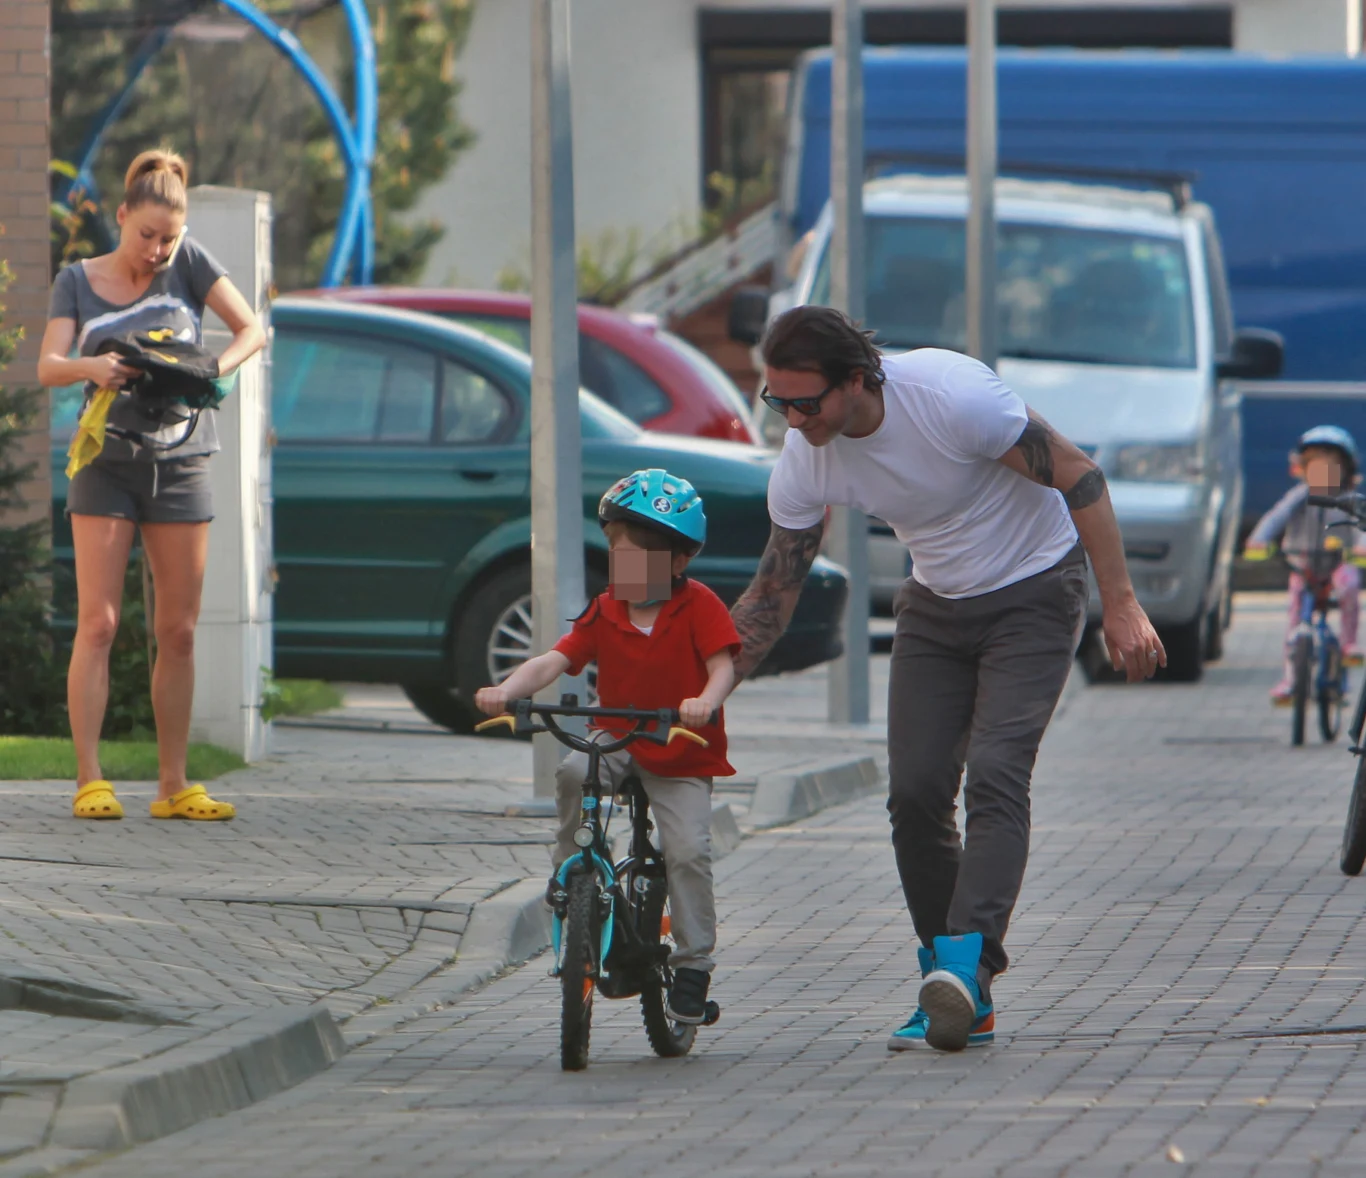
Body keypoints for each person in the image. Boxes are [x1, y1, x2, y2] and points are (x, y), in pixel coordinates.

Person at [729, 305, 1164, 1053]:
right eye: (780, 403)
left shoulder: (951, 399)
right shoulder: (809, 455)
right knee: (917, 790)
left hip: (1034, 589)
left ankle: (968, 966)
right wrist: (706, 685)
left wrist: (1119, 603)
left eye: (808, 402)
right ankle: (949, 986)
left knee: (997, 770)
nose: (795, 420)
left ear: (858, 381)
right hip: (935, 604)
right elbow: (774, 591)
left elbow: (1081, 477)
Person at [37, 149, 266, 822]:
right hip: (105, 463)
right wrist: (93, 366)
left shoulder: (190, 263)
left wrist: (212, 373)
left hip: (183, 460)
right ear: (121, 217)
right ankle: (89, 779)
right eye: (147, 236)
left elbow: (252, 328)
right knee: (100, 622)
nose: (159, 250)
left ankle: (173, 785)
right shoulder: (76, 281)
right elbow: (47, 366)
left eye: (169, 237)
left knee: (180, 630)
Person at [474, 469, 740, 1024]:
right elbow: (556, 659)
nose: (627, 569)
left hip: (680, 747)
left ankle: (693, 968)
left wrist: (705, 701)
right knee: (574, 770)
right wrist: (506, 690)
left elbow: (723, 667)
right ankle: (570, 869)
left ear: (678, 561)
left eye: (642, 556)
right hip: (616, 736)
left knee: (688, 851)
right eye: (619, 554)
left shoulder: (700, 606)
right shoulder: (607, 608)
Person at [1244, 425, 1364, 704]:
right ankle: (1291, 680)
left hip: (1338, 563)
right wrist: (1258, 540)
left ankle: (1348, 644)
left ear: (1345, 471)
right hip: (1303, 564)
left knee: (1349, 586)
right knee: (1295, 622)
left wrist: (1360, 547)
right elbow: (1275, 518)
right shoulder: (1298, 497)